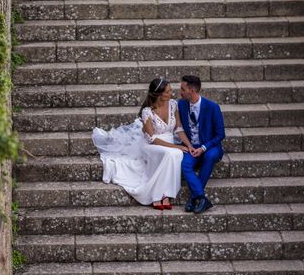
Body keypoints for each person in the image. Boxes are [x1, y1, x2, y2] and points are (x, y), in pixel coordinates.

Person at [92, 78, 192, 210]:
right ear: (158, 94)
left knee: (176, 154)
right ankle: (157, 196)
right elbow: (151, 139)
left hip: (169, 143)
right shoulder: (147, 111)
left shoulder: (173, 105)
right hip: (152, 145)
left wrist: (188, 145)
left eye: (170, 91)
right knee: (172, 153)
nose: (171, 93)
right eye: (167, 92)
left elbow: (179, 128)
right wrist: (177, 146)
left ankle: (164, 194)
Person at [177, 75, 226, 214]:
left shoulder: (212, 107)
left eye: (182, 89)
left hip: (209, 147)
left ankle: (193, 198)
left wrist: (203, 148)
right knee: (185, 165)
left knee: (210, 156)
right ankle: (201, 198)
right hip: (190, 146)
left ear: (192, 91)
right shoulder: (180, 104)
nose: (180, 92)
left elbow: (220, 134)